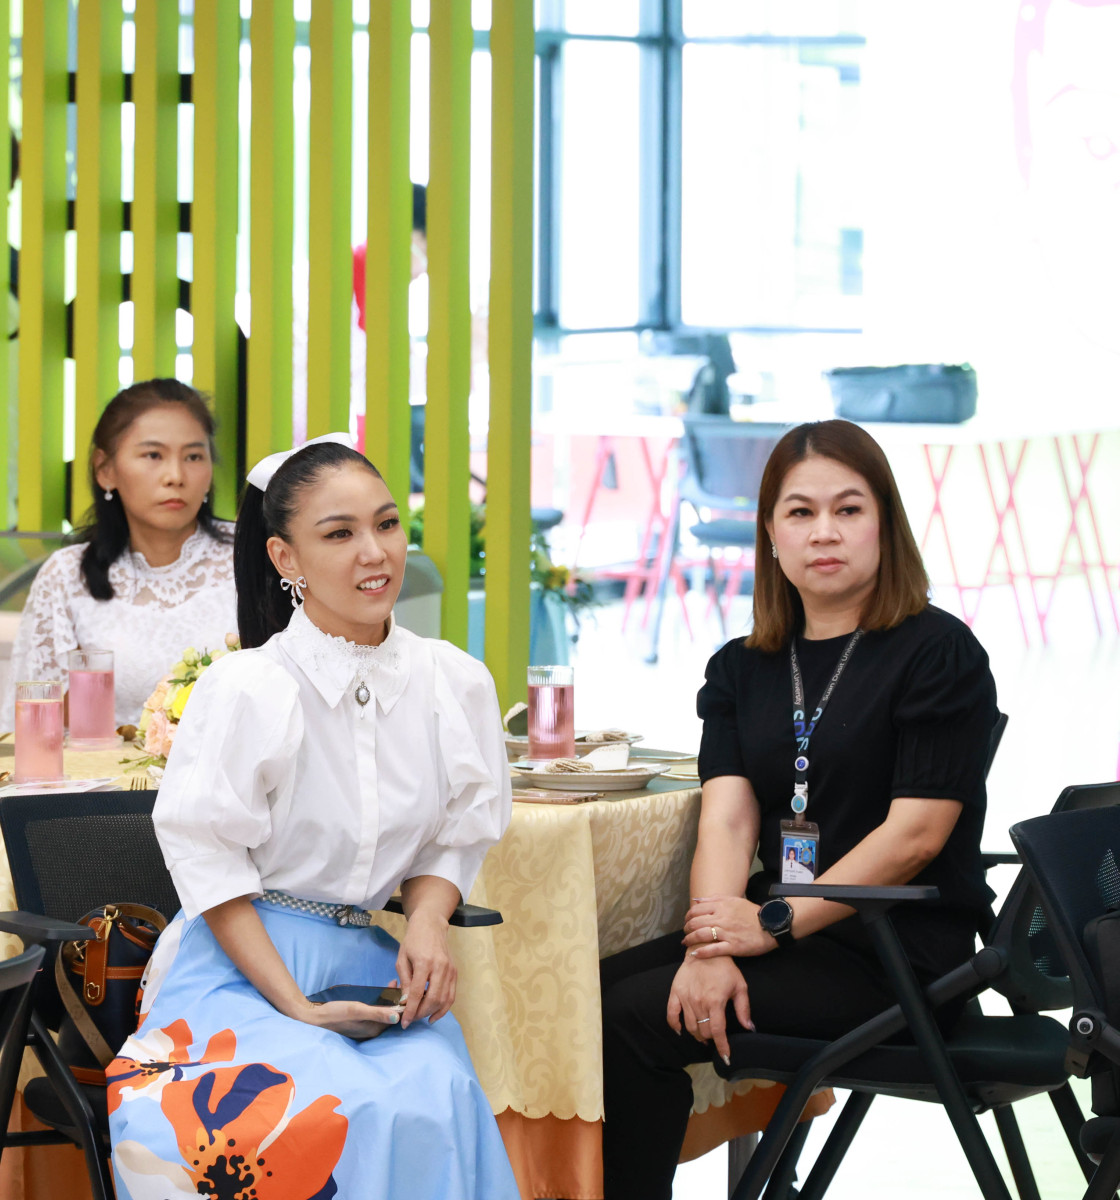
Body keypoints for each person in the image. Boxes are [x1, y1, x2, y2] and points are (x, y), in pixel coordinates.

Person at [106, 436, 522, 1200]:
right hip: (238, 965)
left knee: (435, 1099)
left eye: (387, 524)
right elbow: (208, 858)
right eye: (339, 534)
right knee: (304, 1115)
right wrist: (294, 1006)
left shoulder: (453, 682)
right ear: (285, 557)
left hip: (368, 966)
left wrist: (429, 924)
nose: (375, 552)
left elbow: (457, 834)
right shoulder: (248, 687)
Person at [600, 419, 1000, 1199]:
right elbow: (728, 820)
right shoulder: (741, 668)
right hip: (783, 936)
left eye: (848, 509)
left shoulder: (937, 652)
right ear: (770, 533)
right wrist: (712, 946)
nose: (824, 532)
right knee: (590, 997)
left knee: (635, 1017)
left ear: (885, 524)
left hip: (896, 954)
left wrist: (772, 924)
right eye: (800, 512)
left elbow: (916, 837)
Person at [2, 379, 235, 729]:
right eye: (153, 455)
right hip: (107, 765)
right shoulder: (68, 576)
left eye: (193, 456)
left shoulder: (251, 558)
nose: (175, 476)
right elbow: (35, 728)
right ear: (105, 470)